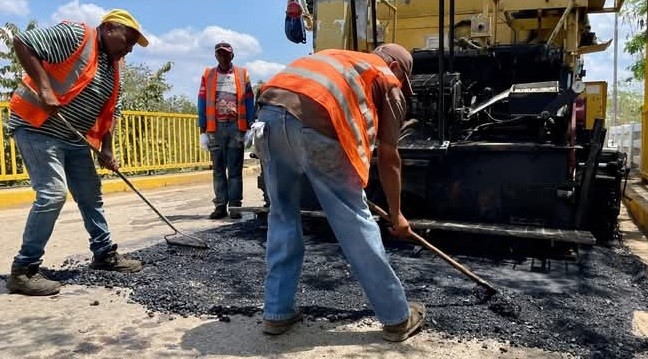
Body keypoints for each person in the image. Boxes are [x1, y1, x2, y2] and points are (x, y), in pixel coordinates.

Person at [254, 43, 426, 342]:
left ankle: (276, 313)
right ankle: (397, 317)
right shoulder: (387, 77)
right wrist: (397, 214)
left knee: (281, 215)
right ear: (397, 67)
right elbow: (389, 156)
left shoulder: (339, 57)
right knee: (353, 221)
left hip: (268, 117)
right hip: (316, 122)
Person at [5, 9, 148, 296]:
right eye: (128, 39)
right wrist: (45, 90)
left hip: (74, 137)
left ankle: (104, 254)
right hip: (37, 128)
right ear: (109, 28)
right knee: (53, 194)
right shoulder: (77, 35)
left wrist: (106, 149)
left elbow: (112, 110)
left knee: (90, 194)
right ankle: (24, 270)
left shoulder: (112, 65)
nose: (130, 48)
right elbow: (23, 42)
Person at [197, 42, 256, 220]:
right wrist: (202, 129)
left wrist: (250, 126)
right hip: (215, 128)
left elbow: (249, 101)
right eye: (220, 54)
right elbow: (201, 102)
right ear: (216, 56)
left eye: (226, 54)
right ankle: (220, 205)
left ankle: (235, 206)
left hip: (236, 127)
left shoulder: (242, 73)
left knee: (235, 169)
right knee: (218, 169)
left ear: (232, 55)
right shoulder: (208, 74)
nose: (223, 57)